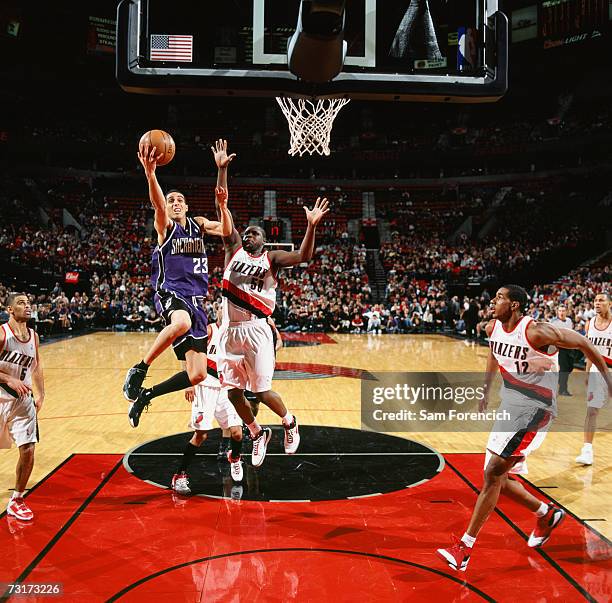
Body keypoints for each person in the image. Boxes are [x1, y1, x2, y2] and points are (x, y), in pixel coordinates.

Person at [437, 285, 612, 572]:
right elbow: (494, 354)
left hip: (536, 409)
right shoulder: (492, 327)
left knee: (493, 474)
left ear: (515, 305)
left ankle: (464, 549)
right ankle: (546, 514)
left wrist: (605, 378)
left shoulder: (536, 332)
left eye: (500, 297)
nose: (493, 300)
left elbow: (583, 343)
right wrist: (485, 390)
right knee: (498, 479)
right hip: (510, 405)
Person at [215, 166, 329, 466]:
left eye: (255, 233)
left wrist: (311, 226)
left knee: (261, 391)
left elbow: (304, 256)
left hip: (256, 329)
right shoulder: (232, 249)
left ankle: (289, 422)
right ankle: (256, 432)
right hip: (229, 330)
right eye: (247, 232)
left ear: (264, 241)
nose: (249, 235)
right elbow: (221, 202)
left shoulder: (272, 259)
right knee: (233, 394)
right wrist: (223, 169)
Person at [123, 140, 235, 427]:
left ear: (186, 206)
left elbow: (226, 229)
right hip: (171, 292)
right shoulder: (166, 227)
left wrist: (222, 205)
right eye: (171, 200)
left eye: (179, 200)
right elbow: (157, 204)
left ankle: (146, 396)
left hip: (197, 300)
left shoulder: (198, 224)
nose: (173, 203)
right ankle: (139, 369)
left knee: (197, 374)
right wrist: (151, 175)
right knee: (181, 323)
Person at [172, 316, 244, 496]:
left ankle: (234, 458)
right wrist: (188, 381)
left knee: (237, 432)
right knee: (201, 435)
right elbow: (187, 351)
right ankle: (179, 475)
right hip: (205, 388)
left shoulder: (237, 335)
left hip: (227, 388)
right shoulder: (209, 330)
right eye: (222, 310)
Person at [0, 293, 45, 521]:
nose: (27, 306)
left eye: (29, 302)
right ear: (9, 309)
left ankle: (17, 499)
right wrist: (8, 379)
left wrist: (41, 394)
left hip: (23, 400)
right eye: (21, 303)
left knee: (28, 449)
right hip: (0, 397)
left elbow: (36, 366)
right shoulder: (2, 334)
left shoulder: (34, 336)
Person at [576, 292, 611, 466]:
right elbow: (590, 351)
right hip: (598, 371)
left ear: (609, 304)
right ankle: (587, 450)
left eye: (601, 300)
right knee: (592, 410)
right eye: (595, 300)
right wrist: (587, 371)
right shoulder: (590, 324)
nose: (597, 303)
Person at [549, 305, 574, 395]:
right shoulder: (554, 322)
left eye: (563, 311)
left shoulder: (569, 321)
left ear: (566, 312)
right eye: (560, 311)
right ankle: (563, 389)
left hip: (569, 347)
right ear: (557, 312)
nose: (562, 312)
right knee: (564, 369)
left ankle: (560, 382)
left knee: (569, 367)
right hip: (559, 348)